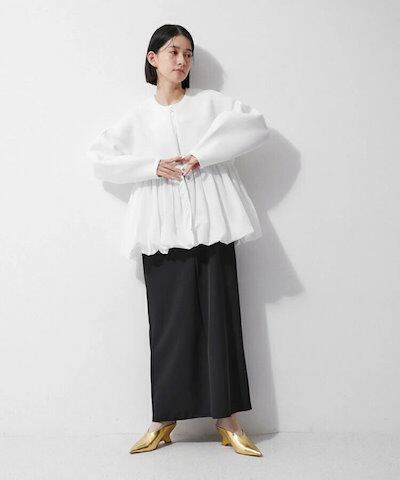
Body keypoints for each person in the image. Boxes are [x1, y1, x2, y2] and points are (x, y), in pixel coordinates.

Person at [87, 24, 271, 457]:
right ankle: (163, 419)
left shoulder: (210, 104)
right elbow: (100, 159)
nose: (182, 60)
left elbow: (256, 126)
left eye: (188, 53)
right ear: (153, 58)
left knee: (221, 320)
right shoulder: (136, 118)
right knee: (168, 327)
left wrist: (203, 154)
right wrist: (151, 166)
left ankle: (228, 420)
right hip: (161, 230)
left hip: (213, 222)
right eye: (173, 51)